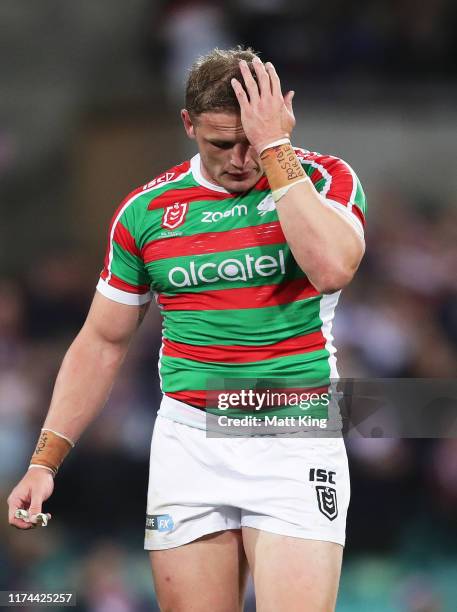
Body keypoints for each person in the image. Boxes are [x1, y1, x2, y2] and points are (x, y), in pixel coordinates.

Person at [7, 47, 366, 611]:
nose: (240, 159)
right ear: (188, 124)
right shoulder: (146, 211)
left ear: (280, 119)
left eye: (252, 141)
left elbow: (331, 267)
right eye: (222, 143)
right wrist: (43, 462)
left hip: (295, 435)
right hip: (191, 439)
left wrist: (277, 151)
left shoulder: (325, 180)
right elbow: (102, 342)